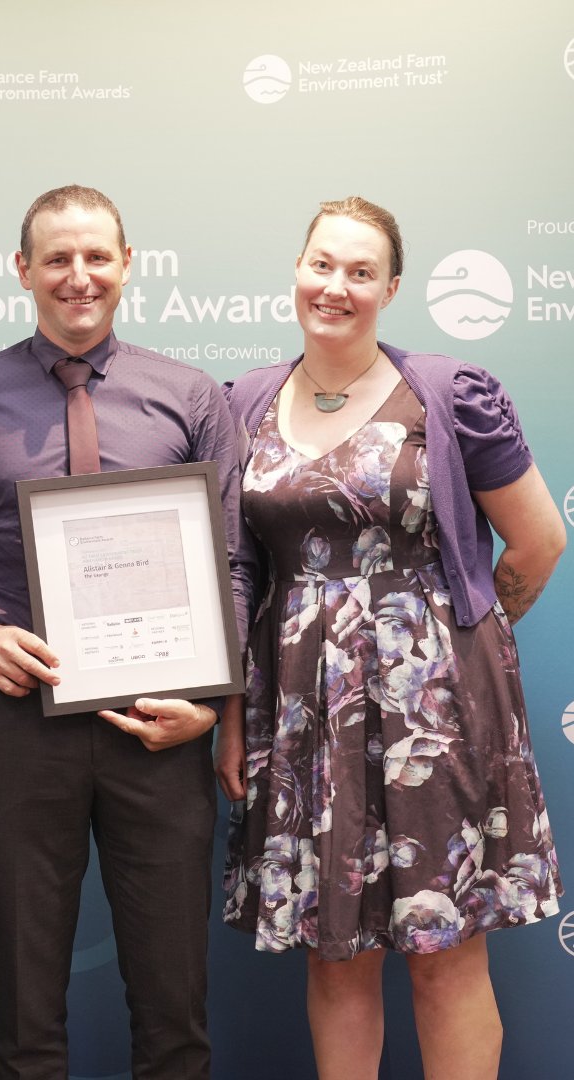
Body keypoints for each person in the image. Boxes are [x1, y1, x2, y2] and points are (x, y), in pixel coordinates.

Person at [216, 196, 565, 1079]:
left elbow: (537, 541)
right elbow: (238, 568)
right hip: (302, 717)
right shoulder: (244, 402)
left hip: (435, 719)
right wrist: (232, 710)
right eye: (322, 264)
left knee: (444, 955)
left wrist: (453, 653)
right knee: (338, 954)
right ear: (297, 270)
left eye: (360, 272)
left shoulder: (447, 395)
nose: (336, 287)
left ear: (392, 288)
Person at [0, 185, 248, 1078]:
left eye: (98, 255)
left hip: (160, 725)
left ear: (128, 265)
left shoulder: (191, 398)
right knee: (25, 1011)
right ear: (22, 270)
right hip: (19, 726)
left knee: (175, 1010)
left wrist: (210, 701)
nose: (79, 275)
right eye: (57, 258)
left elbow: (235, 565)